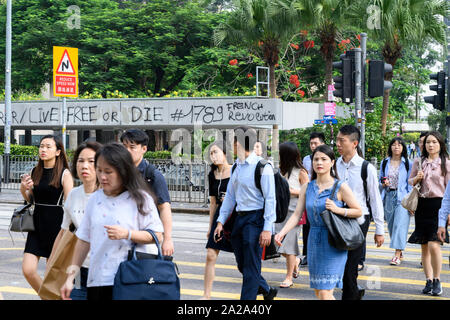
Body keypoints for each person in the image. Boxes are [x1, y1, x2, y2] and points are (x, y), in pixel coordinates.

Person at [60, 143, 164, 300]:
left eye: (108, 172)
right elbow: (83, 241)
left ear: (123, 172)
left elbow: (158, 235)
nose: (102, 176)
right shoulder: (95, 199)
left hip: (130, 280)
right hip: (97, 280)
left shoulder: (141, 199)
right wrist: (70, 278)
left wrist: (127, 234)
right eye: (100, 170)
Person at [275, 144, 362, 300]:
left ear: (332, 162)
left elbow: (358, 210)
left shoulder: (340, 186)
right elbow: (296, 215)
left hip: (334, 241)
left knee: (324, 292)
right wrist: (281, 233)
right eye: (316, 159)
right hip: (314, 241)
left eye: (324, 159)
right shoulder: (307, 187)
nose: (319, 163)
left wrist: (338, 209)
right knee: (318, 291)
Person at [214, 126, 278, 300]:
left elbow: (270, 200)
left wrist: (267, 229)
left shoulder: (262, 167)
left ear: (238, 143)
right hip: (239, 220)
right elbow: (230, 197)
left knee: (251, 267)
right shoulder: (236, 166)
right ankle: (266, 288)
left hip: (256, 219)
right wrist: (220, 221)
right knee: (243, 264)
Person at [47, 141, 102, 300]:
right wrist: (52, 259)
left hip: (104, 272)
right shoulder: (74, 195)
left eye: (91, 161)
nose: (85, 166)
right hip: (78, 269)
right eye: (80, 160)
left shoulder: (107, 196)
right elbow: (64, 231)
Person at [335, 125, 385, 300]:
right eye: (337, 140)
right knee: (340, 266)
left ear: (354, 143)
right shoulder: (334, 165)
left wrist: (379, 230)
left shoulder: (366, 168)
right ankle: (355, 292)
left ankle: (350, 295)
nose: (338, 144)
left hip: (358, 221)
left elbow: (375, 199)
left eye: (342, 140)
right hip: (337, 218)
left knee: (350, 266)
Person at [20, 135, 73, 294]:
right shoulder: (34, 171)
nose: (43, 149)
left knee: (52, 275)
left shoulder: (64, 174)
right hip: (36, 224)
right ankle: (48, 297)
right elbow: (30, 198)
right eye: (41, 146)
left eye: (48, 147)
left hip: (56, 225)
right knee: (28, 270)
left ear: (58, 152)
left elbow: (70, 204)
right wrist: (24, 188)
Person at [408, 131, 450, 296]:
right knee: (424, 246)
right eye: (427, 142)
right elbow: (410, 182)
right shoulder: (419, 162)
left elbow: (449, 189)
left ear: (440, 144)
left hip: (439, 206)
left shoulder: (446, 163)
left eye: (434, 142)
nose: (430, 145)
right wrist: (417, 179)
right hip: (422, 205)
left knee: (434, 244)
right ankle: (428, 280)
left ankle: (438, 280)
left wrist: (448, 212)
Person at [120, 129, 174, 256]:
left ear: (144, 149)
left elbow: (164, 207)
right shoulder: (118, 172)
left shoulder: (153, 175)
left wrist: (167, 239)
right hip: (120, 241)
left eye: (132, 147)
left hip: (145, 243)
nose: (127, 151)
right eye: (124, 147)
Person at [202, 141, 233, 299]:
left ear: (225, 153)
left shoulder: (235, 171)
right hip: (220, 214)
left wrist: (232, 198)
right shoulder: (211, 174)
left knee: (243, 259)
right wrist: (210, 227)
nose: (213, 156)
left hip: (235, 216)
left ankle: (263, 287)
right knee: (211, 254)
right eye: (211, 153)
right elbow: (213, 202)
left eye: (216, 152)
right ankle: (206, 295)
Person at [276, 142, 309, 288]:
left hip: (295, 212)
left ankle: (289, 277)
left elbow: (307, 191)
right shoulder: (279, 171)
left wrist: (290, 191)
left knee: (289, 246)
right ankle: (295, 261)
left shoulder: (301, 172)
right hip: (280, 212)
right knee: (276, 243)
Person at [379, 137, 411, 265]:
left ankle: (397, 254)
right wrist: (383, 182)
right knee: (391, 225)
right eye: (394, 144)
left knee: (400, 225)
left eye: (399, 145)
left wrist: (410, 202)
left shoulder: (408, 163)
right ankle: (400, 248)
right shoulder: (385, 162)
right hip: (389, 195)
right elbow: (380, 178)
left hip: (403, 197)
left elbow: (411, 184)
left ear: (403, 148)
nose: (396, 147)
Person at [300, 132, 325, 266]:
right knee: (307, 227)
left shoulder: (328, 158)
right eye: (311, 143)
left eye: (316, 143)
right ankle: (306, 255)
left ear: (322, 144)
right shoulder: (306, 159)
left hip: (323, 196)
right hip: (309, 194)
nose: (313, 146)